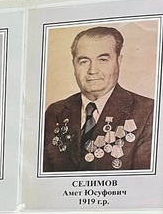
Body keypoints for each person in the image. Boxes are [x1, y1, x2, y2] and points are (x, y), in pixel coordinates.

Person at [43, 26, 154, 172]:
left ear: (118, 61)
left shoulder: (148, 112)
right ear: (74, 64)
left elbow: (143, 181)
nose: (92, 71)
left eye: (103, 60)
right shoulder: (55, 112)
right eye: (84, 61)